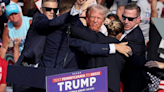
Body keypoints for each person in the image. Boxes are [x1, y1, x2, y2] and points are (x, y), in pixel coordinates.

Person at [69, 4, 132, 92]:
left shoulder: (107, 39)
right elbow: (74, 25)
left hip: (108, 86)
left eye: (99, 18)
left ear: (103, 21)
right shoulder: (82, 34)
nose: (95, 21)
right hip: (86, 84)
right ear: (87, 18)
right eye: (92, 17)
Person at [119, 3, 148, 92]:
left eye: (130, 19)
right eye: (124, 17)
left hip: (131, 84)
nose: (126, 21)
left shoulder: (136, 38)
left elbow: (128, 60)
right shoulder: (124, 29)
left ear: (138, 19)